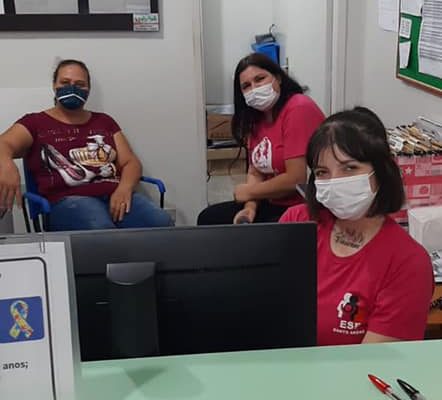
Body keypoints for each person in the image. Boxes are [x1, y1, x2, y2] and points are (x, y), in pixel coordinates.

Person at [280, 106, 434, 346]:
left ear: (381, 172)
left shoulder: (407, 263)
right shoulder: (297, 222)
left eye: (349, 168)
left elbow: (373, 360)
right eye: (322, 172)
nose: (335, 182)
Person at [0, 59, 173, 231]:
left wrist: (124, 189)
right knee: (99, 228)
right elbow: (4, 143)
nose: (72, 88)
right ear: (54, 85)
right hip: (67, 202)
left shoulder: (105, 121)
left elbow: (131, 162)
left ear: (88, 89)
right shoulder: (35, 123)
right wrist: (6, 165)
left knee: (162, 222)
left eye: (80, 84)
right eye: (65, 82)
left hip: (114, 194)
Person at [197, 53, 325, 225]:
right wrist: (250, 208)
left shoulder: (298, 107)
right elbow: (256, 171)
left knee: (256, 237)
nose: (254, 88)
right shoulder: (257, 117)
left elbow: (296, 178)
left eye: (260, 79)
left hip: (302, 206)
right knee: (208, 218)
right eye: (246, 86)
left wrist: (250, 192)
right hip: (272, 201)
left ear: (278, 78)